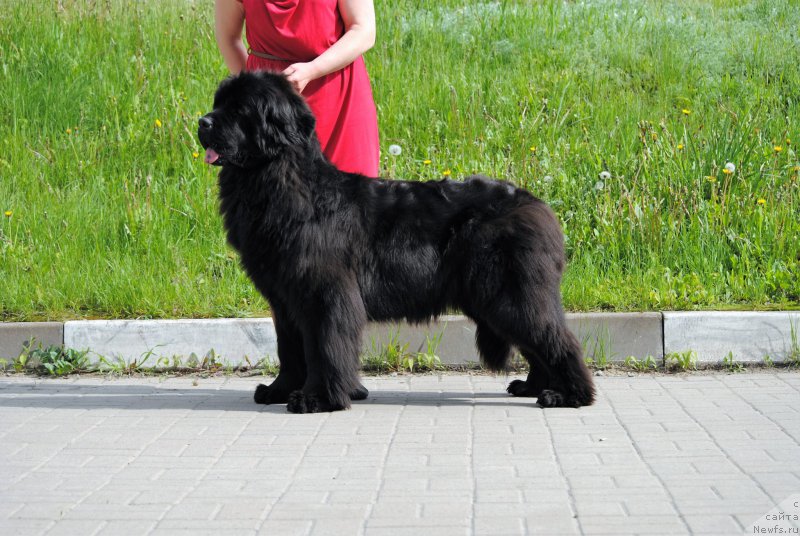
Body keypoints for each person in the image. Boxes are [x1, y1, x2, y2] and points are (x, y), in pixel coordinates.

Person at [214, 0, 380, 177]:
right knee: (267, 194)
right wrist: (257, 92)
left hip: (340, 98)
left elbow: (363, 29)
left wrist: (312, 69)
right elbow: (229, 38)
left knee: (351, 197)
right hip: (268, 115)